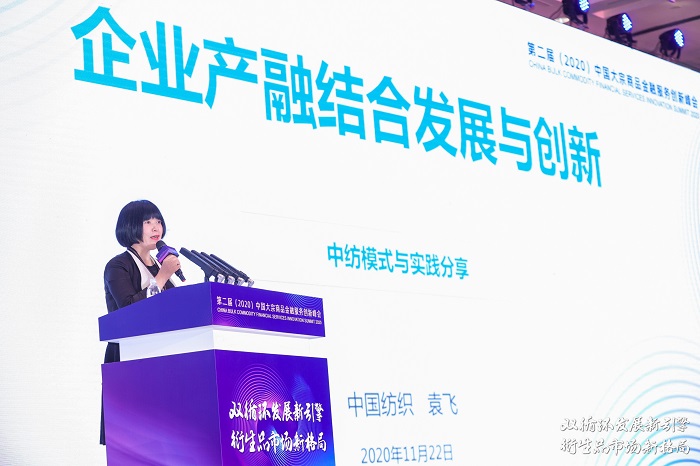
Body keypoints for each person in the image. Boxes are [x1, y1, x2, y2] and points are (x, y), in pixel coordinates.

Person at [100, 200, 181, 445]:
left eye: (158, 221)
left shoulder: (159, 264)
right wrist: (163, 275)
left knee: (161, 434)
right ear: (131, 226)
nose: (156, 227)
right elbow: (129, 309)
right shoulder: (118, 265)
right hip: (128, 356)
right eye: (148, 222)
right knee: (131, 438)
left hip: (161, 356)